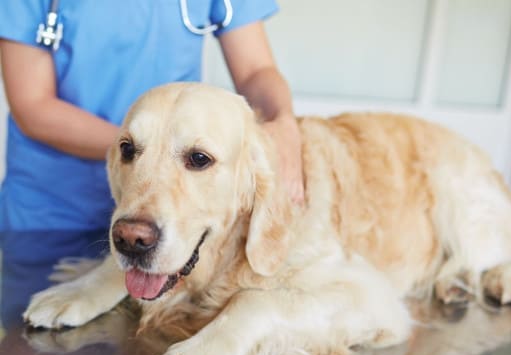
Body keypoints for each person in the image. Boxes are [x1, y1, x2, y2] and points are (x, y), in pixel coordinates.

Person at [0, 0, 304, 231]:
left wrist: (284, 121)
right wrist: (154, 153)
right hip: (53, 210)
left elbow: (255, 71)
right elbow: (34, 107)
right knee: (43, 309)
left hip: (173, 210)